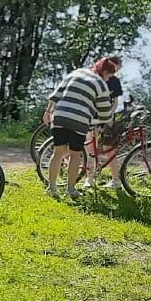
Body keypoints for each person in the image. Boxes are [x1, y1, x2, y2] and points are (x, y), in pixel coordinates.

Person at [43, 55, 121, 199]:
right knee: (75, 155)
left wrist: (48, 111)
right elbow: (105, 113)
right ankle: (71, 189)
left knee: (57, 153)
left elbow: (57, 93)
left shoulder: (77, 72)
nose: (109, 79)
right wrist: (105, 123)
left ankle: (52, 188)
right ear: (105, 73)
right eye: (110, 76)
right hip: (79, 121)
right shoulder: (101, 84)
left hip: (59, 116)